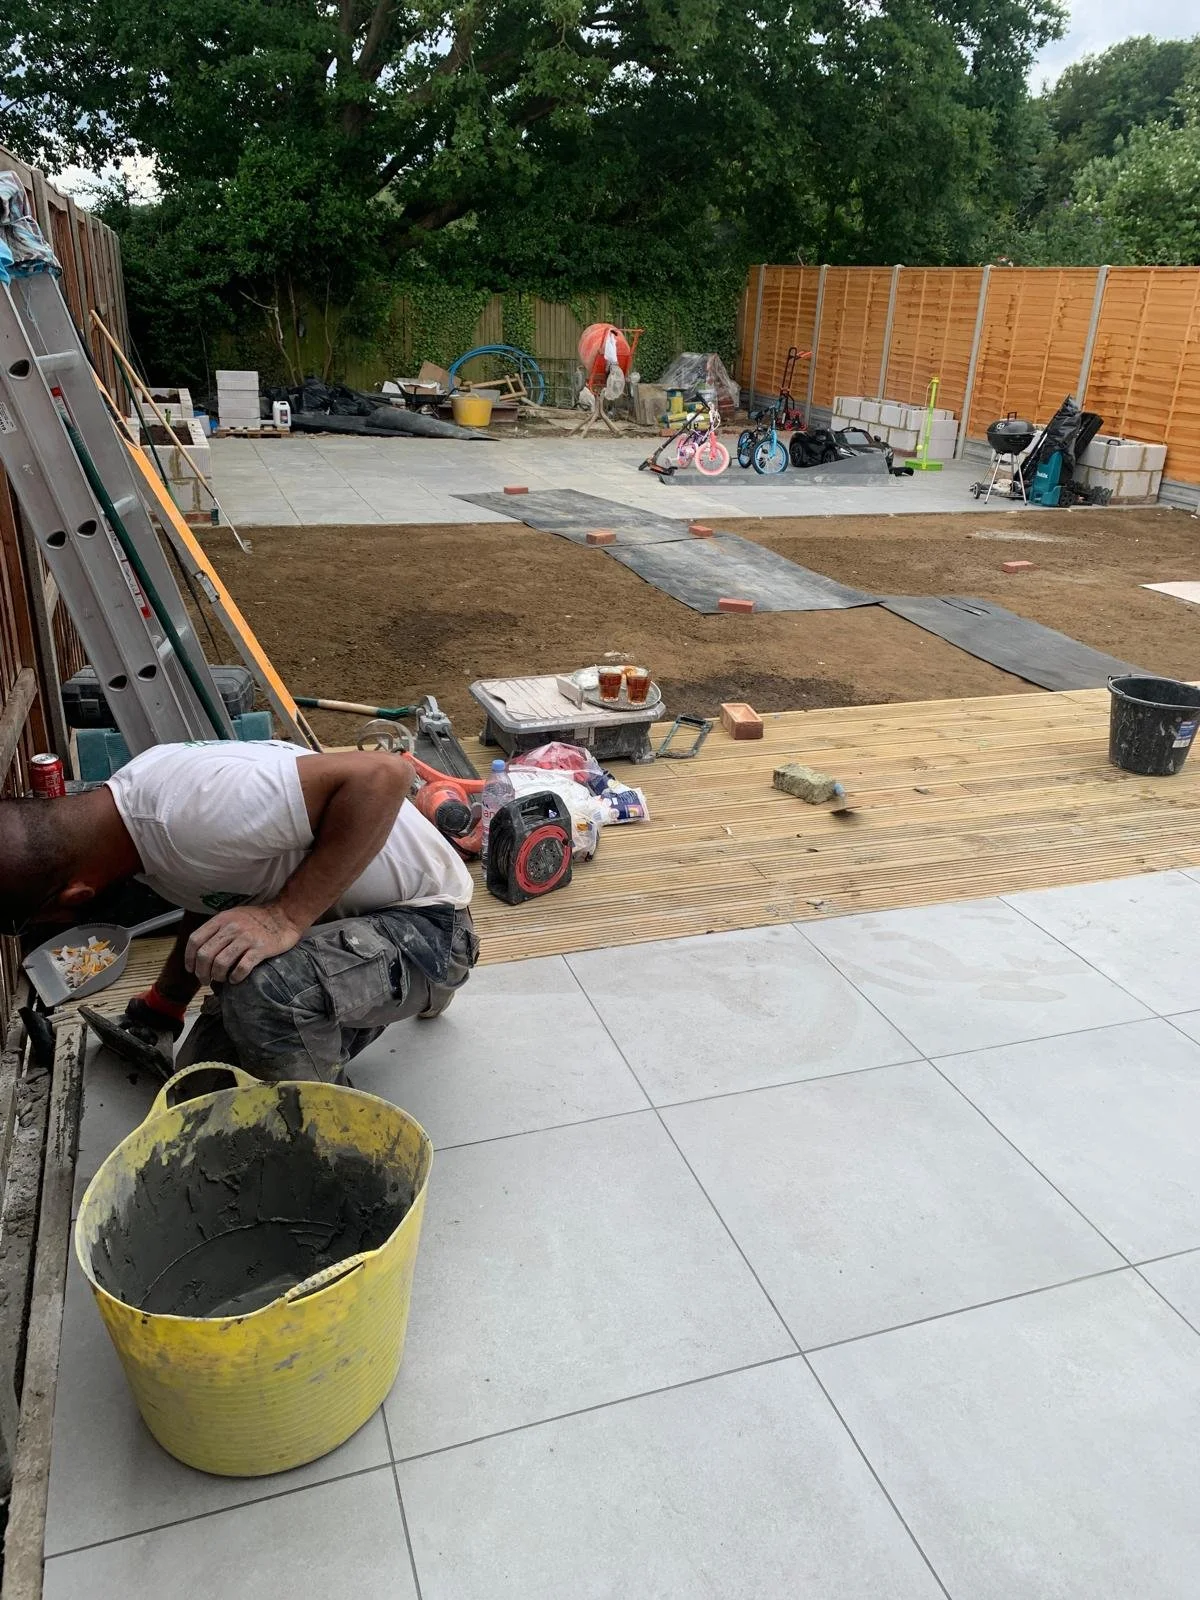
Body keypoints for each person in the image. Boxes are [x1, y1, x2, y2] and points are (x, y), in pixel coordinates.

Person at [0, 740, 477, 1083]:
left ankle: (327, 1144)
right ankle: (377, 996)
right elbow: (213, 892)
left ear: (75, 897)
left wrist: (284, 918)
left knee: (266, 994)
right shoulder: (125, 816)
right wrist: (165, 1005)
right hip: (352, 924)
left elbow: (385, 774)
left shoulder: (194, 814)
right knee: (204, 1088)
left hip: (430, 929)